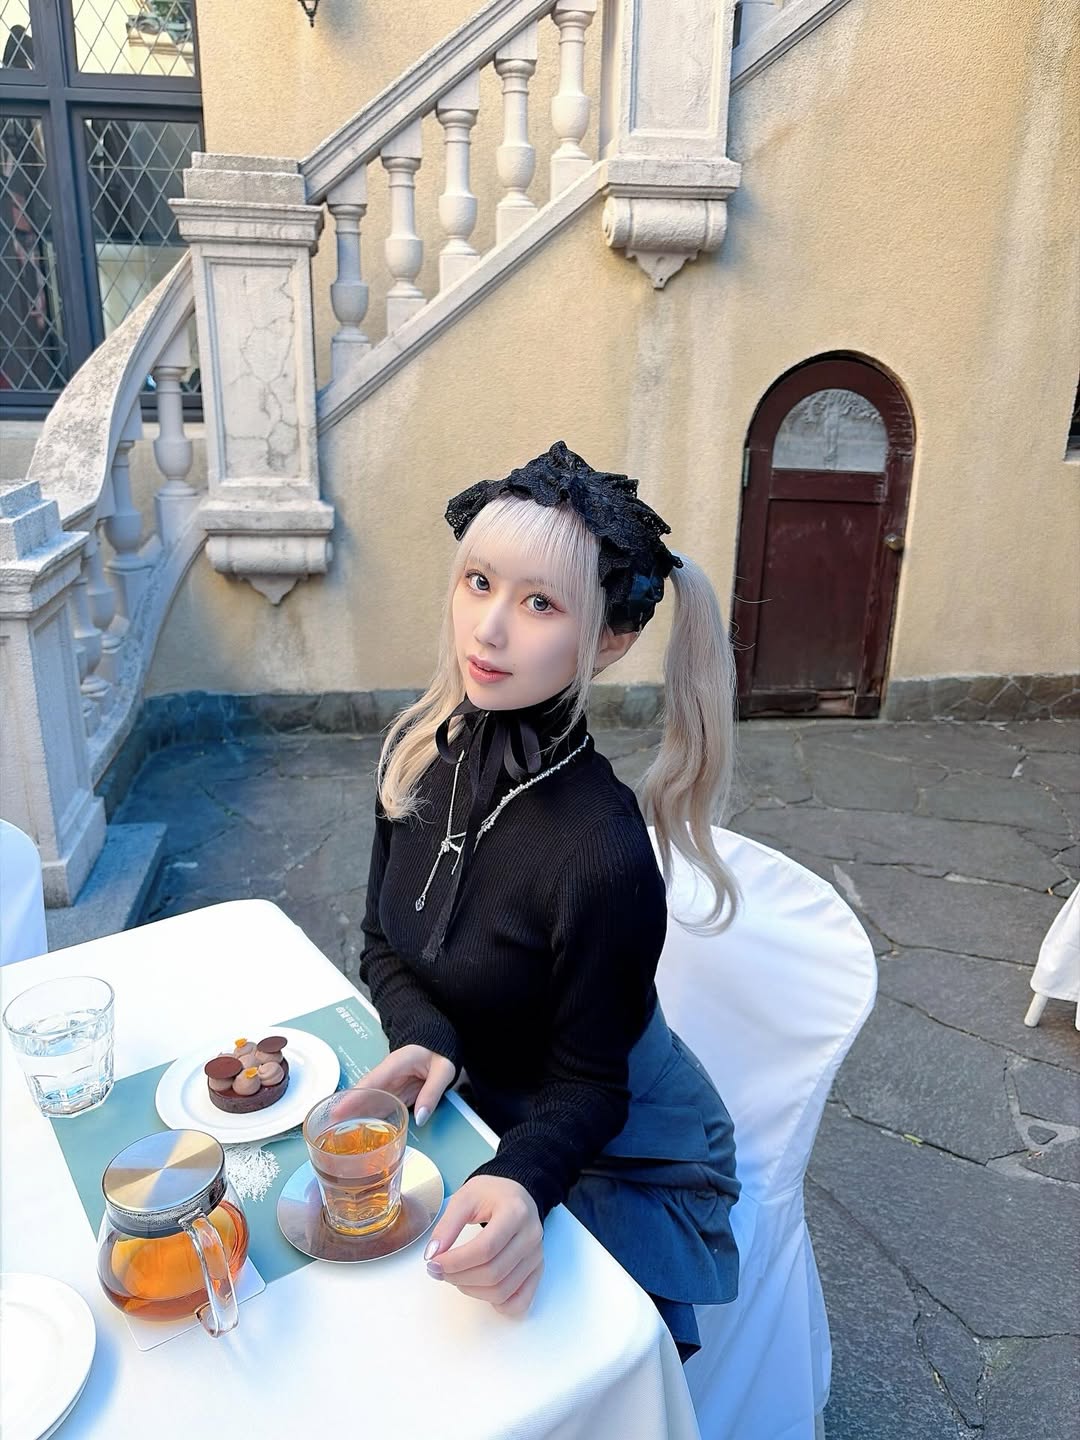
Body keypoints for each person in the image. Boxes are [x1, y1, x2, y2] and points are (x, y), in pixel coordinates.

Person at [358, 441, 741, 1360]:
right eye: (479, 582)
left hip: (621, 1147)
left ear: (608, 639)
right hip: (481, 1098)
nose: (488, 629)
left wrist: (525, 1177)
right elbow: (380, 941)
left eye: (539, 603)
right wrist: (426, 1033)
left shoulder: (602, 853)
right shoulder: (415, 753)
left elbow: (590, 1085)